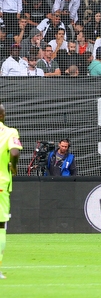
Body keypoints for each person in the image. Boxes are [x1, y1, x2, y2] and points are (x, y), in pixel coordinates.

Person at [0, 103, 21, 279]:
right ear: (2, 115)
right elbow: (14, 153)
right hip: (1, 183)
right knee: (0, 226)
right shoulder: (9, 132)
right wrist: (13, 167)